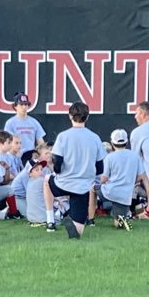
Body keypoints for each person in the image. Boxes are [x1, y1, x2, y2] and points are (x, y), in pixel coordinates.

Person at [42, 102, 106, 239]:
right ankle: (68, 213)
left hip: (63, 183)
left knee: (47, 180)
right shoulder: (95, 138)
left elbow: (57, 164)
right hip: (83, 187)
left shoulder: (63, 136)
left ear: (70, 116)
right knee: (78, 233)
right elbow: (100, 168)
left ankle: (51, 220)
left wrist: (59, 172)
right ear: (87, 117)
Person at [97, 129, 145, 230]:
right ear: (126, 142)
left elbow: (103, 179)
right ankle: (123, 219)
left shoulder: (109, 157)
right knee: (117, 222)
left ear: (112, 143)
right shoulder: (135, 156)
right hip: (125, 194)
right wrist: (130, 182)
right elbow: (141, 176)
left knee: (92, 189)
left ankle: (90, 219)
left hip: (109, 191)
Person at [3, 92, 46, 165]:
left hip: (31, 157)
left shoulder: (34, 122)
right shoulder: (10, 123)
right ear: (15, 106)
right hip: (16, 158)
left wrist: (41, 155)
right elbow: (7, 143)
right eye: (21, 104)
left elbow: (41, 142)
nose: (24, 107)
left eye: (26, 104)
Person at [18, 143, 53, 227]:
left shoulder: (30, 181)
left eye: (41, 169)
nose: (40, 172)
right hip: (43, 218)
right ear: (30, 173)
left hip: (31, 218)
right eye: (37, 170)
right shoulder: (42, 180)